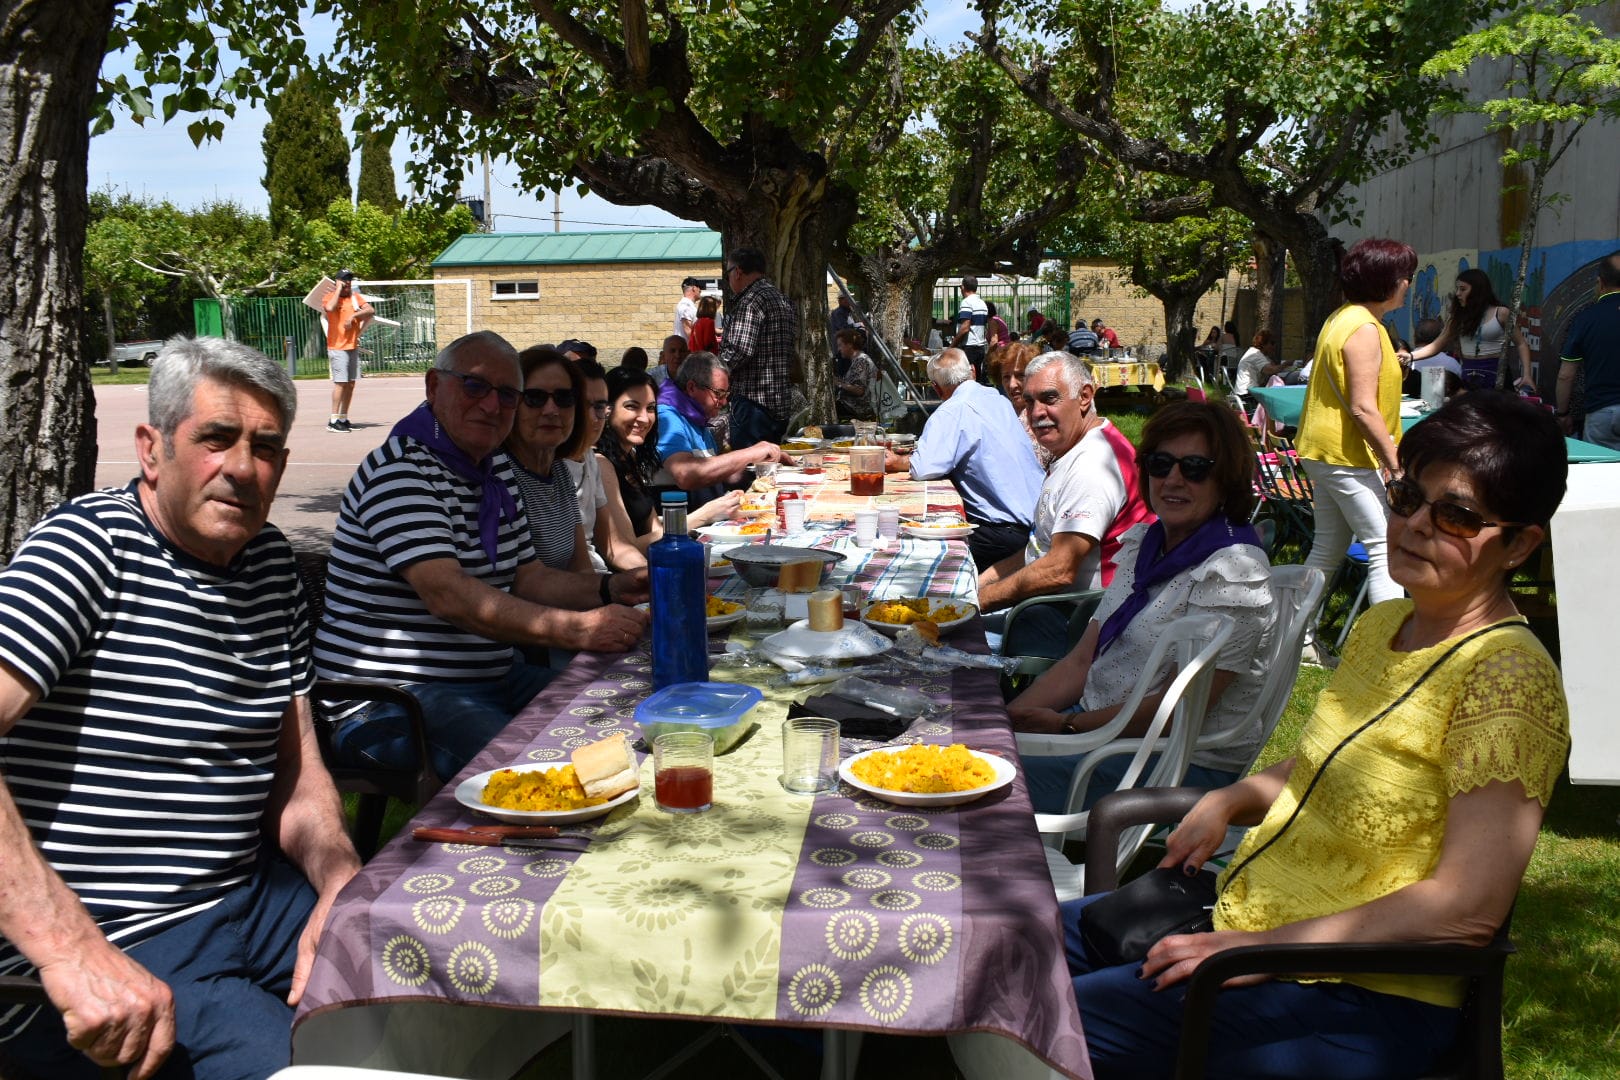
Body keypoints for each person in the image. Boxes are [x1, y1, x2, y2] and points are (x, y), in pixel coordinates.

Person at [1062, 391, 1570, 1080]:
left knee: (1044, 1020)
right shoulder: (1382, 628)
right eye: (1405, 497)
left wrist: (1261, 948)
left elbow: (1466, 910)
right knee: (1016, 951)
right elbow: (1336, 763)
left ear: (1519, 544)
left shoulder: (1509, 680)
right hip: (1250, 929)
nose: (1416, 524)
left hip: (1359, 994)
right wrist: (1233, 798)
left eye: (1455, 514)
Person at [0, 337, 360, 1080]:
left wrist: (341, 879)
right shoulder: (85, 551)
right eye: (215, 439)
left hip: (245, 900)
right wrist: (68, 947)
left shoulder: (270, 569)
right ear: (151, 449)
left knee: (421, 973)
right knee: (310, 1068)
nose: (240, 467)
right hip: (113, 934)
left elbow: (296, 777)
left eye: (264, 447)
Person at [314, 331, 649, 783]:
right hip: (393, 700)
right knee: (538, 777)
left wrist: (610, 586)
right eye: (474, 387)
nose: (492, 405)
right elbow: (449, 596)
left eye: (507, 394)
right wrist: (581, 629)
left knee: (631, 719)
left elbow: (527, 577)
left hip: (493, 679)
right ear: (434, 387)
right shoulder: (402, 471)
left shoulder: (491, 471)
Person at [1008, 402, 1276, 813]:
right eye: (1160, 463)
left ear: (1225, 479)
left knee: (983, 778)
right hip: (1102, 728)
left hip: (1169, 761)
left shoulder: (1231, 570)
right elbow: (1082, 660)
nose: (1173, 479)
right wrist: (1011, 716)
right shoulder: (1148, 543)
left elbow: (1180, 708)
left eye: (1196, 467)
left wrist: (1067, 725)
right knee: (976, 745)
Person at [978, 352, 1154, 652]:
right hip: (1056, 608)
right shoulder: (1080, 447)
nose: (1036, 412)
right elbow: (1038, 551)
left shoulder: (1093, 466)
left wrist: (975, 603)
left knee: (946, 642)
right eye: (1030, 401)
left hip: (1079, 626)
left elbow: (1059, 569)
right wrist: (976, 585)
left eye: (1049, 398)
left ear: (1085, 397)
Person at [1294, 238, 1413, 616]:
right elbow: (1363, 407)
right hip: (1347, 455)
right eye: (1405, 276)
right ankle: (1385, 650)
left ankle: (1298, 639)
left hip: (1327, 452)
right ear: (1388, 281)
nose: (1409, 284)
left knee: (1327, 547)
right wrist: (1395, 465)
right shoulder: (1364, 327)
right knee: (1384, 547)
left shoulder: (1343, 317)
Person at [888, 348, 1044, 571]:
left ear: (936, 388)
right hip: (1037, 521)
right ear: (971, 371)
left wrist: (898, 461)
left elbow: (922, 469)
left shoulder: (951, 410)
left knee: (918, 550)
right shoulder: (997, 399)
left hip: (1004, 532)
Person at [597, 367, 740, 547]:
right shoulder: (602, 463)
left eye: (650, 408)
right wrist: (706, 515)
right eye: (632, 406)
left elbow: (656, 531)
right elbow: (627, 549)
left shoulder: (629, 457)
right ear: (607, 410)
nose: (644, 418)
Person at [653, 351, 794, 510]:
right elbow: (685, 474)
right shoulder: (667, 416)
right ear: (691, 387)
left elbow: (718, 474)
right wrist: (751, 452)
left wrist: (760, 463)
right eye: (718, 394)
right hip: (682, 529)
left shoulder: (696, 414)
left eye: (726, 394)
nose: (724, 401)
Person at [505, 346, 595, 574]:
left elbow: (581, 567)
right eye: (535, 398)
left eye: (564, 398)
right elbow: (523, 585)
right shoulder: (500, 475)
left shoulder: (559, 470)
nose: (551, 410)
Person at [566, 359, 646, 572]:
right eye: (583, 405)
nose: (592, 417)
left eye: (600, 407)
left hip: (600, 581)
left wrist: (652, 578)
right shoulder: (548, 465)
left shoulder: (589, 458)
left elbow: (614, 545)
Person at [1404, 268, 1534, 392]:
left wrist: (1527, 375)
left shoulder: (1501, 313)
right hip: (1469, 376)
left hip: (1496, 375)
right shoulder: (1457, 317)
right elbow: (1437, 345)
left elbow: (1521, 343)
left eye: (1463, 289)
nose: (1458, 293)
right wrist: (1410, 356)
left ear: (1477, 291)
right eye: (1457, 289)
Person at [717, 248, 797, 447]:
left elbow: (739, 350)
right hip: (778, 403)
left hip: (753, 403)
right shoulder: (780, 298)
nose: (729, 279)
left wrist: (713, 370)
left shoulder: (751, 301)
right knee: (770, 468)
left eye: (727, 273)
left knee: (747, 471)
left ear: (737, 272)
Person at [1554, 251, 1620, 448]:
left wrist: (1563, 414)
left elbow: (1566, 375)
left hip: (1602, 413)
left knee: (1601, 474)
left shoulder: (1585, 319)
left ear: (1600, 283)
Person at [323, 268, 374, 432]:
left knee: (350, 384)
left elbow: (370, 310)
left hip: (352, 346)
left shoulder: (354, 298)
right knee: (341, 383)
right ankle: (333, 420)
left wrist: (353, 317)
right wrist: (337, 289)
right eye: (344, 280)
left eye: (349, 280)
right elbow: (329, 308)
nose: (347, 283)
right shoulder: (330, 297)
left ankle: (343, 418)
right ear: (337, 281)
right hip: (337, 347)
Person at [994, 340, 1054, 469]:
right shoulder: (1001, 411)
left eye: (1020, 376)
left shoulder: (1041, 415)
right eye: (1006, 377)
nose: (1012, 385)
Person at [833, 328, 878, 421]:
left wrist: (839, 384)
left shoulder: (861, 360)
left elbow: (859, 390)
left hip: (857, 409)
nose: (839, 349)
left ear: (849, 345)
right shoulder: (857, 360)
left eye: (840, 345)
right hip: (852, 407)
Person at [952, 275, 990, 381]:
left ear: (963, 287)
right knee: (977, 380)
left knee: (966, 380)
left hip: (969, 348)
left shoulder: (966, 302)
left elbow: (965, 328)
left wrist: (952, 345)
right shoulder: (982, 303)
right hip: (980, 347)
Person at [1231, 329, 1285, 400]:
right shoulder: (1255, 354)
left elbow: (1272, 367)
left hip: (1246, 391)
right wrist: (1286, 364)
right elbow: (1271, 370)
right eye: (1272, 343)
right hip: (1246, 393)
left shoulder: (1258, 354)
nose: (1274, 346)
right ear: (1263, 344)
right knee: (1277, 394)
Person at [674, 276, 701, 342]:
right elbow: (688, 330)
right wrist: (700, 346)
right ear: (694, 288)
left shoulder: (688, 304)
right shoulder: (686, 305)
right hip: (687, 349)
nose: (701, 290)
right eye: (699, 287)